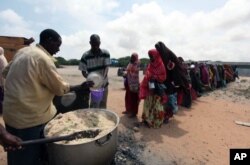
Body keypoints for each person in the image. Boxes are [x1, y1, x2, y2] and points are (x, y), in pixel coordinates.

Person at [2, 29, 93, 165]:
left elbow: (5, 73)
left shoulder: (23, 51)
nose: (58, 49)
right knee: (30, 156)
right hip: (30, 119)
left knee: (16, 153)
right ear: (49, 41)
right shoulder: (43, 59)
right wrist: (79, 87)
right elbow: (60, 88)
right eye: (58, 45)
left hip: (10, 115)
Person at [79, 34, 111, 108]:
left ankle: (102, 119)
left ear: (100, 42)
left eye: (97, 43)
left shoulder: (105, 53)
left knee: (103, 104)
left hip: (104, 84)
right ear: (90, 43)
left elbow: (107, 67)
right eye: (94, 44)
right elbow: (83, 71)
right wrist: (90, 78)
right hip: (94, 85)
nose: (96, 46)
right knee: (94, 105)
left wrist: (102, 78)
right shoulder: (85, 56)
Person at [139, 49, 166, 128]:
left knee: (157, 106)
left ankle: (155, 122)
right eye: (150, 56)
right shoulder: (150, 64)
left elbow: (164, 77)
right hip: (150, 88)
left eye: (152, 56)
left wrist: (156, 77)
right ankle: (147, 120)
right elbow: (147, 73)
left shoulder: (161, 65)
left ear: (156, 56)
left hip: (157, 90)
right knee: (148, 105)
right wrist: (148, 77)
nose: (151, 58)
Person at [123, 53, 140, 118]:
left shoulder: (137, 64)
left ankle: (134, 112)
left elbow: (133, 72)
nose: (131, 58)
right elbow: (127, 71)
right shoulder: (130, 63)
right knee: (128, 97)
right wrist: (126, 73)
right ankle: (128, 110)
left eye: (133, 57)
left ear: (136, 58)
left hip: (134, 84)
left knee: (134, 99)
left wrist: (127, 72)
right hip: (128, 83)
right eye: (131, 57)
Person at [0, 47, 8, 114]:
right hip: (4, 81)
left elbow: (1, 73)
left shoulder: (0, 59)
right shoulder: (3, 58)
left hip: (1, 82)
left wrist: (2, 84)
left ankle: (1, 111)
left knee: (1, 97)